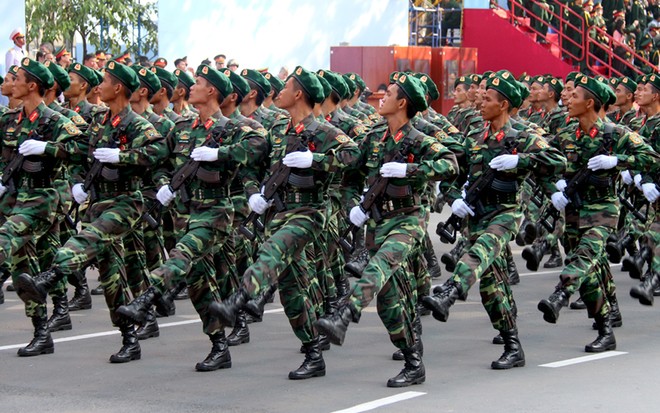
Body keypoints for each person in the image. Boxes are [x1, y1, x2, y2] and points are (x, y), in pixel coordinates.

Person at [207, 66, 359, 380]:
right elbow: (252, 165)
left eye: (286, 87)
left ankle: (239, 299)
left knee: (271, 253)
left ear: (299, 93)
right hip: (277, 214)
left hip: (307, 215)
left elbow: (352, 155)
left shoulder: (323, 130)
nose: (279, 93)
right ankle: (313, 353)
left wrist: (315, 160)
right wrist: (254, 193)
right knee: (293, 292)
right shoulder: (278, 130)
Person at [116, 64, 268, 371]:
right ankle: (219, 346)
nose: (191, 88)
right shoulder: (183, 128)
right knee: (201, 285)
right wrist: (164, 184)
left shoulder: (232, 129)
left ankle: (146, 299)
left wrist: (219, 154)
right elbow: (159, 155)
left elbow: (259, 145)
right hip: (187, 213)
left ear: (211, 90)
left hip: (217, 212)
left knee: (181, 254)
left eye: (197, 83)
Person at [15, 60, 166, 362]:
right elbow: (76, 150)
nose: (100, 86)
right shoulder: (99, 122)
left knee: (89, 238)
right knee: (111, 278)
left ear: (118, 88)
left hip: (125, 203)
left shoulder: (137, 123)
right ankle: (129, 339)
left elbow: (157, 152)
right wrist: (75, 180)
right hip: (98, 202)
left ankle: (48, 277)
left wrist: (123, 156)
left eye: (106, 81)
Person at [316, 72, 459, 387]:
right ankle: (413, 362)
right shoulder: (374, 136)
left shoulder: (419, 138)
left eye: (389, 93)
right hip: (378, 223)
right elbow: (351, 165)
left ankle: (344, 314)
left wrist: (411, 169)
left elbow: (450, 164)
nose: (381, 96)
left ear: (403, 102)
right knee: (389, 302)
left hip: (408, 221)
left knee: (377, 268)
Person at [537, 75, 659, 353]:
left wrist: (618, 161)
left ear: (590, 102)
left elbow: (652, 157)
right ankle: (605, 327)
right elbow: (542, 163)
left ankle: (560, 294)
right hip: (572, 210)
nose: (569, 100)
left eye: (575, 97)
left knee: (585, 257)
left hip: (602, 210)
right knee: (590, 273)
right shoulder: (566, 133)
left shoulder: (615, 133)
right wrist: (553, 188)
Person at [1, 58, 84, 355]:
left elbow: (83, 148)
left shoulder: (55, 120)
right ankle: (42, 332)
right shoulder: (11, 120)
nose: (13, 82)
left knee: (6, 238)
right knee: (24, 268)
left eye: (18, 78)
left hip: (44, 197)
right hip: (16, 196)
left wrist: (48, 148)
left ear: (32, 85)